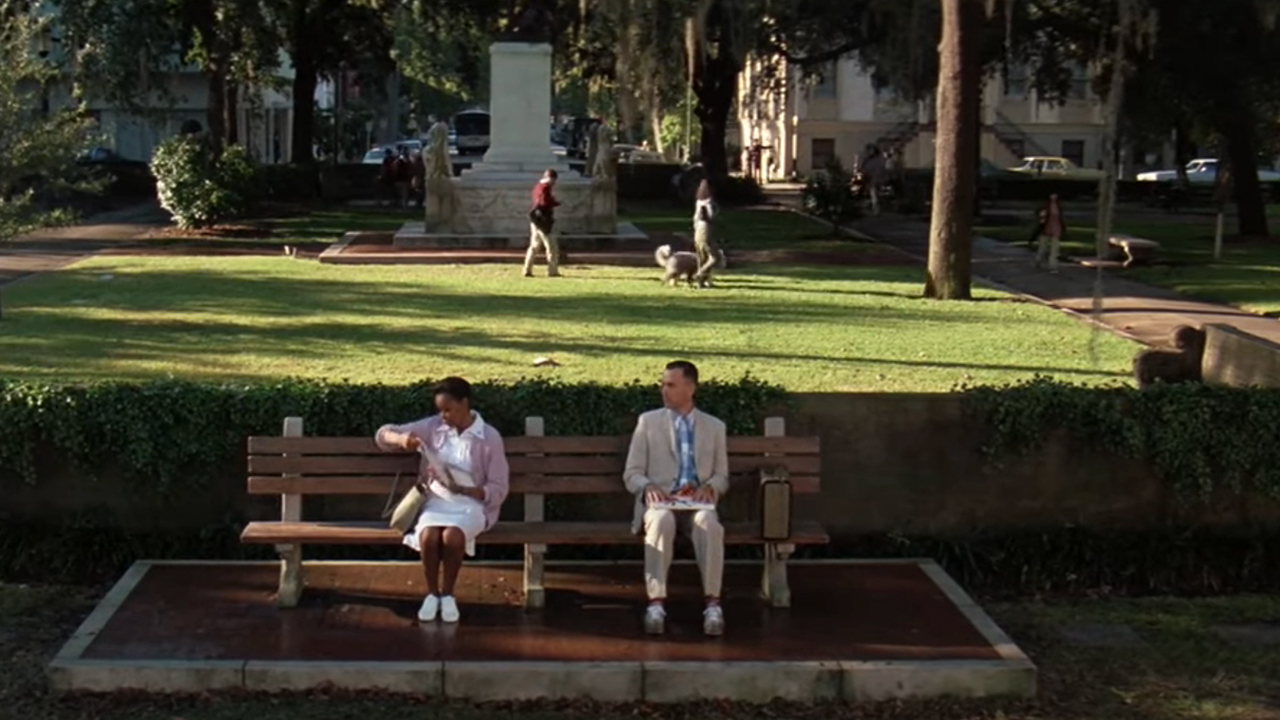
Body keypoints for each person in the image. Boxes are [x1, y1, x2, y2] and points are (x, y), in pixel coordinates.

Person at [375, 377, 510, 624]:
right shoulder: (433, 427)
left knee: (452, 536)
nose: (444, 416)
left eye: (449, 409)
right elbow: (383, 434)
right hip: (437, 500)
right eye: (440, 410)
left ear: (465, 403)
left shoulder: (489, 437)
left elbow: (499, 486)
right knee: (428, 534)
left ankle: (448, 594)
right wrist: (402, 440)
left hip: (472, 505)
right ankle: (431, 594)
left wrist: (476, 492)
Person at [623, 361, 729, 637]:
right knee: (660, 521)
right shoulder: (648, 422)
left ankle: (713, 604)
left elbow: (722, 476)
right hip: (661, 503)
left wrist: (711, 487)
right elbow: (632, 473)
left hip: (696, 503)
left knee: (709, 523)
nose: (664, 390)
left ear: (690, 388)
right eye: (663, 384)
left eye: (671, 385)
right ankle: (656, 603)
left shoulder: (715, 427)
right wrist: (647, 487)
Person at [524, 168, 562, 277]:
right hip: (544, 221)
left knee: (534, 246)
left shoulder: (537, 187)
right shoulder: (545, 188)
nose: (554, 183)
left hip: (535, 220)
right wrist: (554, 203)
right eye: (553, 180)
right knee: (551, 247)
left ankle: (527, 269)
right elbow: (544, 202)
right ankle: (552, 270)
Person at [692, 180, 722, 284]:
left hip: (697, 229)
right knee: (715, 257)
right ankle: (700, 273)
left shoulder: (698, 201)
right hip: (706, 228)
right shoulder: (708, 202)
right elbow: (710, 215)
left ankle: (701, 282)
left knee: (701, 257)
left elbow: (695, 218)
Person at [1033, 193, 1066, 273]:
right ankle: (1038, 259)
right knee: (1042, 247)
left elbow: (1060, 217)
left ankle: (1053, 265)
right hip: (1046, 228)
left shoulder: (1058, 206)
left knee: (1054, 249)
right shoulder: (1045, 205)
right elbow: (1041, 215)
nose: (1054, 196)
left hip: (1056, 228)